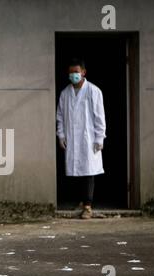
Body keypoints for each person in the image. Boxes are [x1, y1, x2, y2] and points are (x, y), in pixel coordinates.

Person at [56, 58, 106, 219]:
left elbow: (100, 117)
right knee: (76, 172)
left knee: (88, 172)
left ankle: (88, 207)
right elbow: (60, 117)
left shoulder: (93, 91)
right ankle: (82, 201)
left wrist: (100, 137)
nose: (73, 75)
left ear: (83, 72)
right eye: (71, 72)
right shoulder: (65, 93)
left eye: (76, 72)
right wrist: (61, 135)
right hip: (72, 138)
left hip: (89, 138)